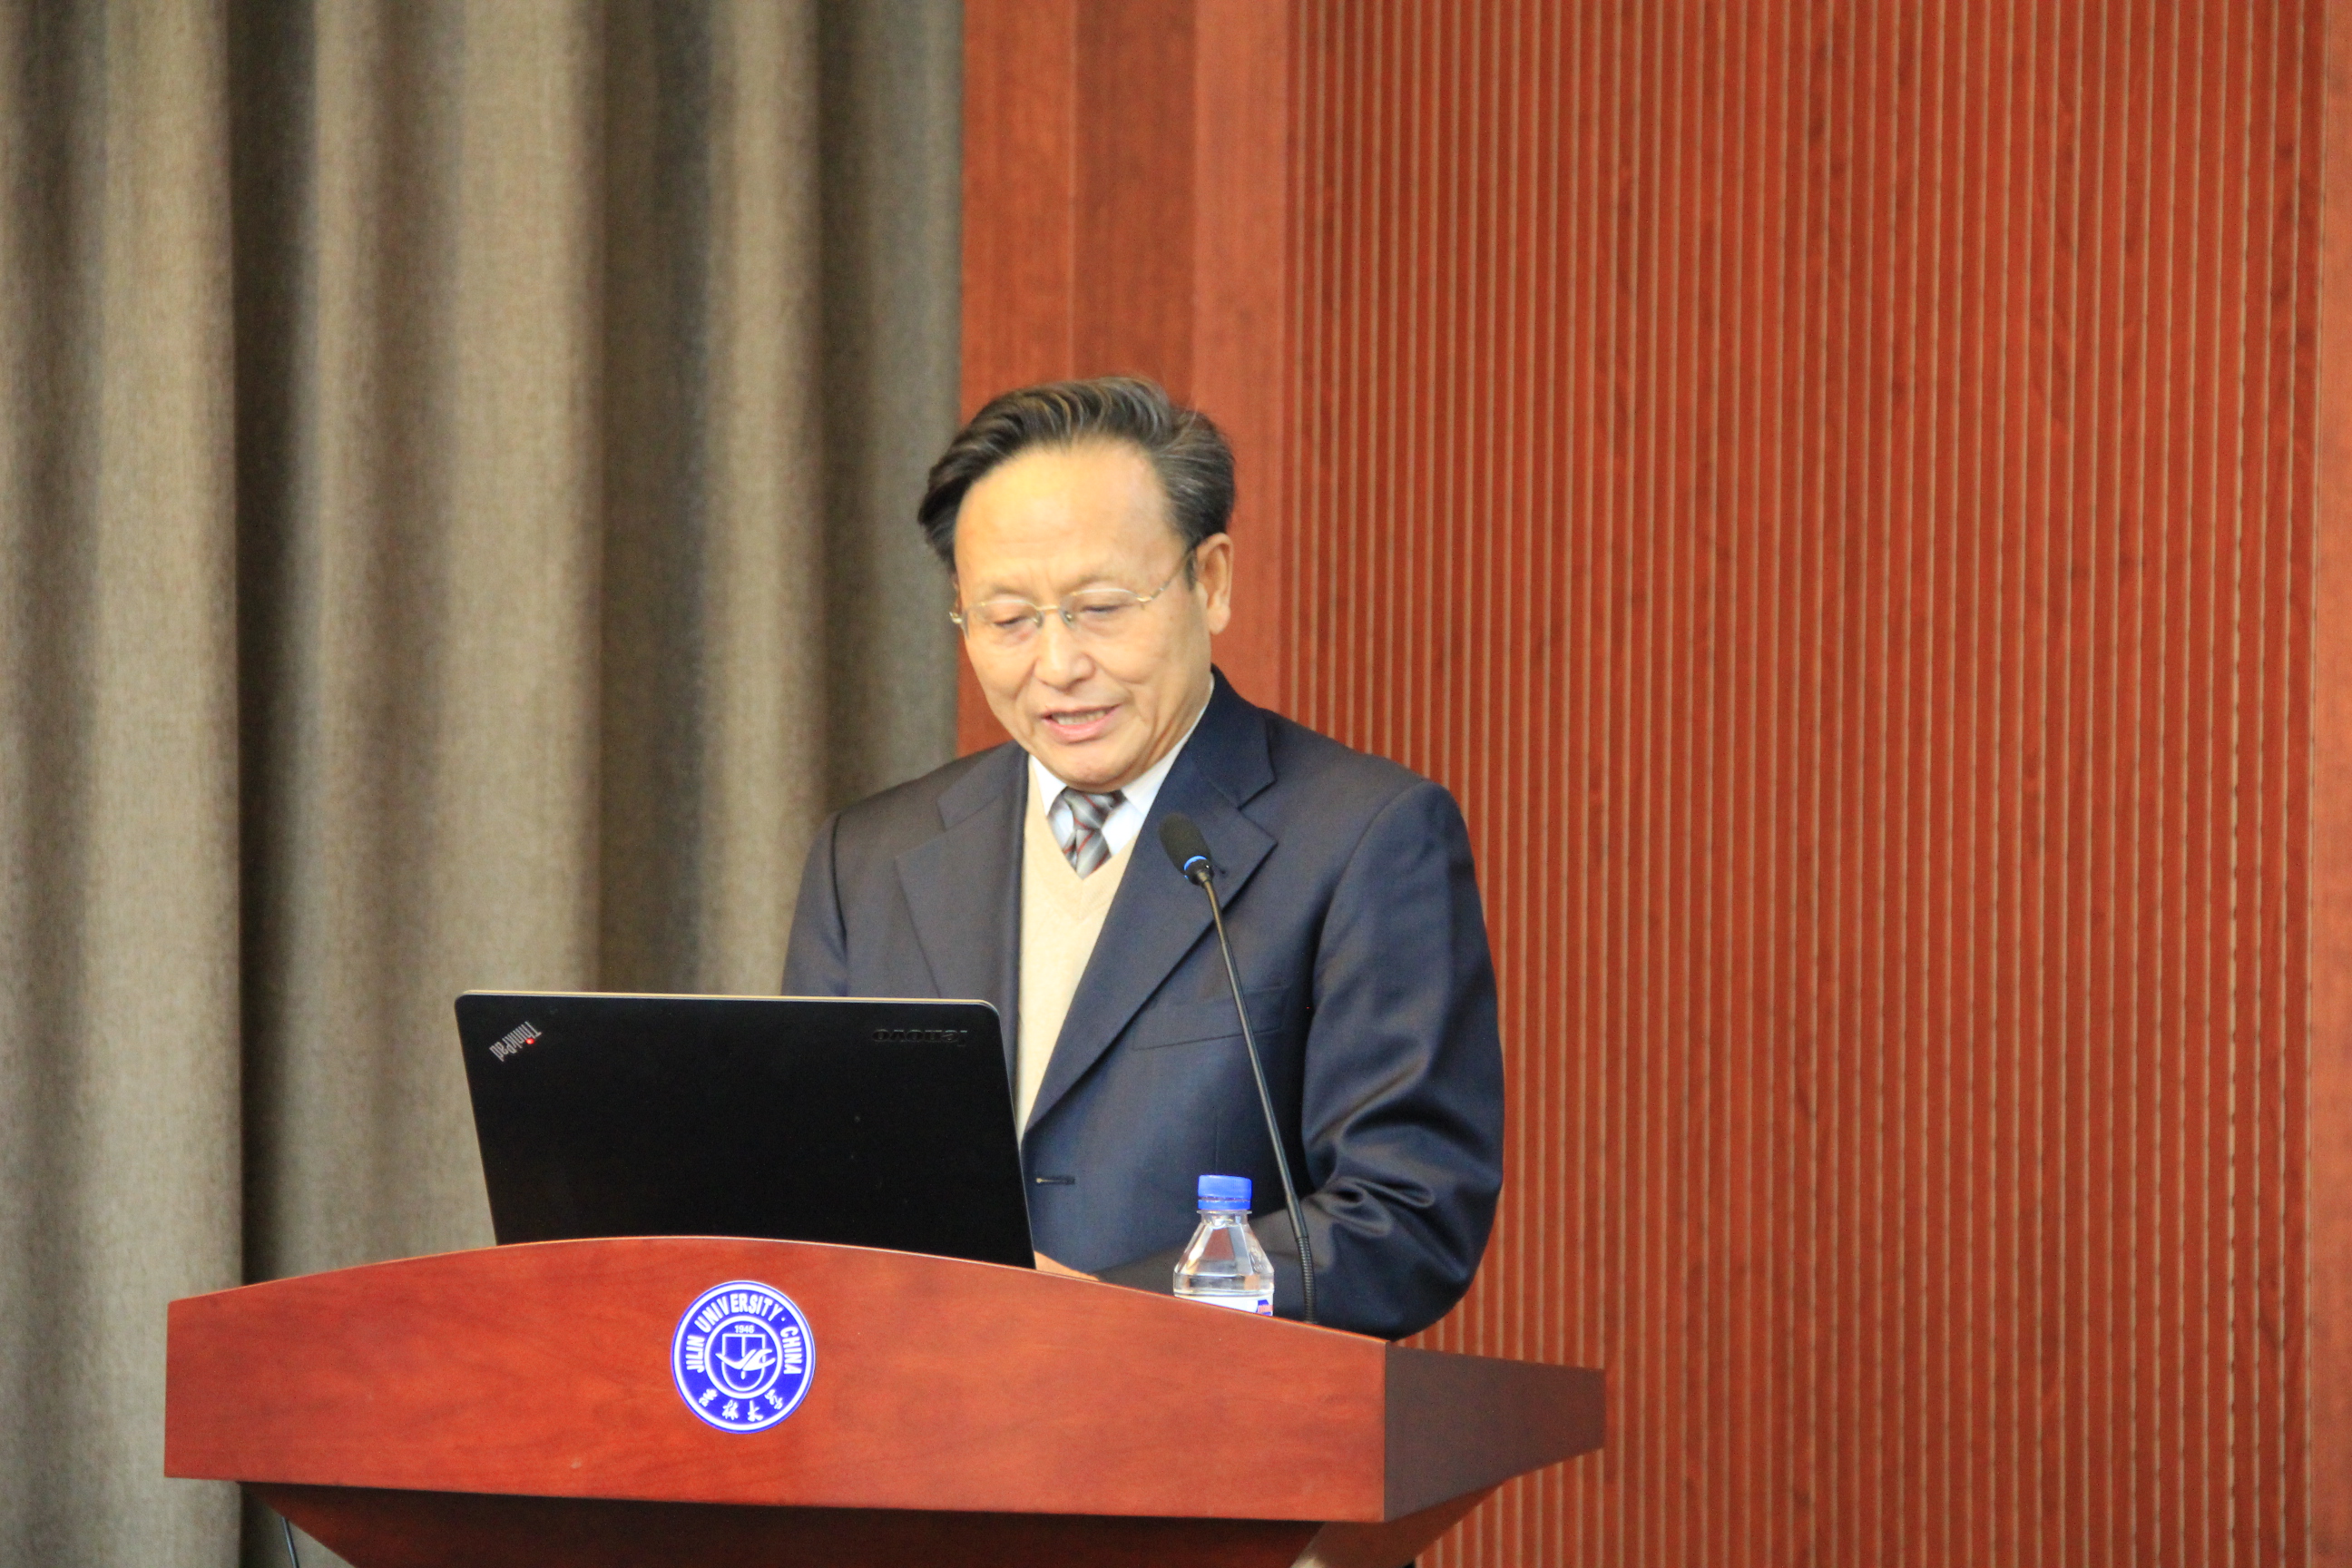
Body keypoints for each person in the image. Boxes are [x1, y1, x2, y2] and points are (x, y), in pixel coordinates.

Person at [782, 377, 1503, 1340]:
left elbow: (1404, 1216)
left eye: (1101, 607)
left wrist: (1099, 1322)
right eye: (1008, 618)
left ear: (1211, 580)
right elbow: (807, 1197)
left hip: (1202, 1422)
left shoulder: (1364, 838)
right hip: (908, 1408)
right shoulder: (869, 861)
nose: (1058, 665)